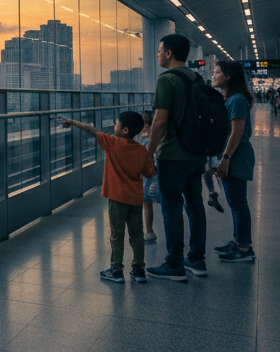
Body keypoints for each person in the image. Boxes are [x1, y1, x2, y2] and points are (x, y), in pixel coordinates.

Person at [63, 111, 156, 283]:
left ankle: (116, 270)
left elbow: (92, 131)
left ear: (125, 130)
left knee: (117, 234)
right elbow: (150, 172)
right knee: (136, 234)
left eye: (116, 124)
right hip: (135, 199)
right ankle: (138, 270)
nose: (114, 126)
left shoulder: (112, 143)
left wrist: (73, 122)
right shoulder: (142, 151)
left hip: (117, 199)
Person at [145, 33, 208, 282]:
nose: (158, 55)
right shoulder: (197, 77)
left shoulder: (166, 79)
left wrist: (149, 152)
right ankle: (196, 259)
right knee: (195, 205)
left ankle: (174, 264)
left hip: (172, 155)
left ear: (169, 53)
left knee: (171, 207)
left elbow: (159, 120)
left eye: (159, 51)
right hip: (196, 154)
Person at [212, 60, 256, 262]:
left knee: (238, 203)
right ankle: (238, 241)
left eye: (217, 72)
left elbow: (237, 133)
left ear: (228, 77)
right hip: (233, 155)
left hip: (235, 156)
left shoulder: (237, 100)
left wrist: (226, 158)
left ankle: (245, 248)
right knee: (234, 202)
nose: (213, 75)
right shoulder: (232, 98)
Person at [138, 112, 159, 245]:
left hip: (151, 174)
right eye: (143, 124)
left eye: (147, 124)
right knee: (147, 201)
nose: (144, 127)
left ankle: (149, 231)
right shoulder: (153, 137)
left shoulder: (147, 140)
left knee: (146, 201)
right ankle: (149, 231)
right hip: (153, 174)